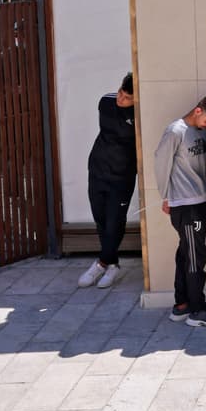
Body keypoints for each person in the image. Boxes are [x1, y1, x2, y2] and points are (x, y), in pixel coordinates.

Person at [155, 94, 206, 328]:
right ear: (198, 110)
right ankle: (198, 310)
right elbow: (161, 163)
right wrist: (165, 195)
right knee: (196, 255)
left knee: (186, 252)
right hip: (185, 204)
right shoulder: (175, 131)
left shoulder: (200, 131)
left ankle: (182, 304)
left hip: (199, 200)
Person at [80, 73, 137, 289]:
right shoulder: (105, 101)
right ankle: (113, 265)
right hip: (97, 170)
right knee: (101, 220)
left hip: (122, 176)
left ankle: (101, 263)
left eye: (128, 98)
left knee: (115, 222)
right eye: (121, 93)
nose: (121, 99)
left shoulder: (139, 114)